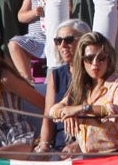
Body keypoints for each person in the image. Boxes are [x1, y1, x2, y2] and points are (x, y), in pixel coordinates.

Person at [49, 32, 118, 155]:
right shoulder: (80, 86)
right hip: (88, 157)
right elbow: (53, 112)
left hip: (116, 155)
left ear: (108, 59)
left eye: (101, 58)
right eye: (89, 58)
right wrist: (68, 113)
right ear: (82, 61)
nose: (95, 64)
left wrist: (81, 109)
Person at [36, 19, 90, 153]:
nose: (62, 45)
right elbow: (48, 116)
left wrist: (79, 144)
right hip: (60, 144)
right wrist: (44, 145)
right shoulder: (56, 76)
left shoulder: (93, 72)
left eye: (69, 40)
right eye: (58, 41)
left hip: (87, 141)